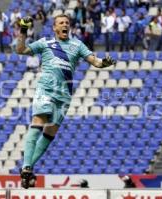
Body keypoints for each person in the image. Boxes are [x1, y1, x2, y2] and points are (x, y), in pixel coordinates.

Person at [16, 14, 116, 189]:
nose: (65, 25)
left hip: (64, 94)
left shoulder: (77, 44)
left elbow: (95, 61)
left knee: (50, 133)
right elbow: (21, 50)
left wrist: (104, 63)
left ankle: (28, 168)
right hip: (46, 89)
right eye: (61, 23)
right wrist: (23, 31)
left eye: (67, 23)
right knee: (38, 124)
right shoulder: (45, 43)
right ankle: (26, 166)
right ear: (54, 28)